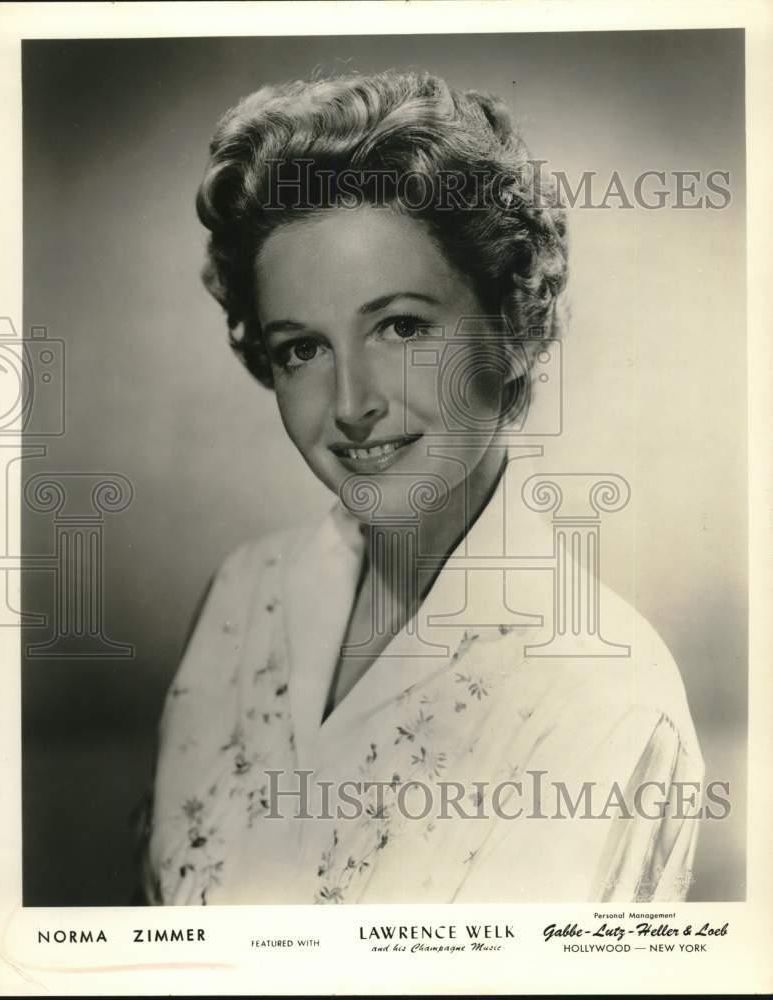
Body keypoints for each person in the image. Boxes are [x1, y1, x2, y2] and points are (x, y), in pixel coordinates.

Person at [140, 71, 704, 905]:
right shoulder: (242, 599)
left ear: (511, 328)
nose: (352, 403)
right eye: (302, 348)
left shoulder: (605, 698)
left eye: (401, 326)